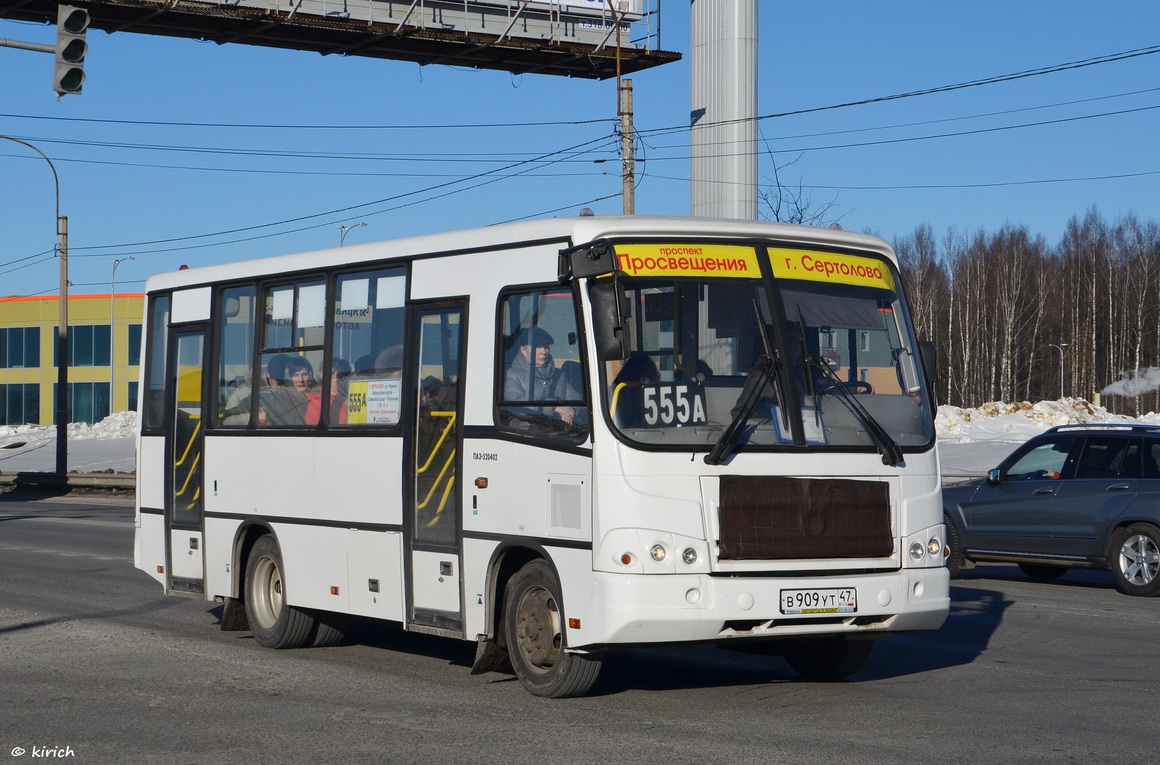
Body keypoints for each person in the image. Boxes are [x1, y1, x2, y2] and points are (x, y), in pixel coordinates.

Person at [503, 327, 582, 424]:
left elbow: (575, 398)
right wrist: (554, 407)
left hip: (559, 430)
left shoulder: (559, 375)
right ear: (523, 350)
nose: (543, 351)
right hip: (527, 431)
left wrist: (570, 411)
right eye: (537, 346)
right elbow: (515, 403)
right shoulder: (512, 374)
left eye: (546, 346)